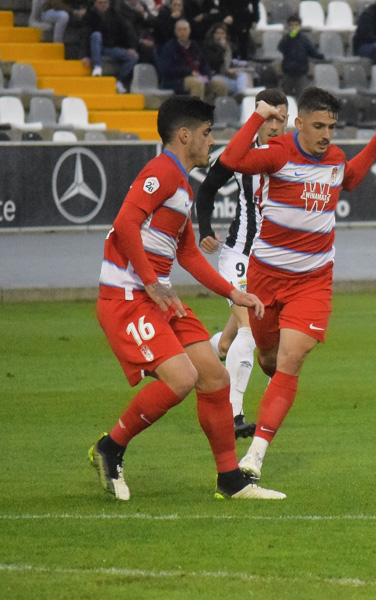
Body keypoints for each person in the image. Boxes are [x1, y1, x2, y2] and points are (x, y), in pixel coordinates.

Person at [89, 95, 285, 502]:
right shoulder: (162, 170)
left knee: (215, 378)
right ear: (184, 135)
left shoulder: (180, 181)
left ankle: (229, 479)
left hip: (156, 296)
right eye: (207, 132)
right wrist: (149, 281)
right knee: (182, 378)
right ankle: (111, 446)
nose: (211, 140)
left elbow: (188, 252)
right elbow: (125, 221)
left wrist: (235, 293)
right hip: (127, 296)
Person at [218, 89, 376, 482]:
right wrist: (257, 118)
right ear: (299, 124)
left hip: (313, 281)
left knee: (291, 359)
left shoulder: (334, 158)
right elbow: (230, 160)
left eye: (331, 126)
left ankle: (255, 456)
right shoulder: (278, 152)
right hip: (265, 279)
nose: (327, 134)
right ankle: (263, 380)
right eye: (318, 126)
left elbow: (348, 178)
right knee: (269, 359)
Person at [195, 88, 289, 438]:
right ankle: (232, 415)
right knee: (250, 331)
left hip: (273, 264)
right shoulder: (239, 154)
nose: (274, 125)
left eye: (281, 118)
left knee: (228, 344)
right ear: (256, 116)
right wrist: (205, 229)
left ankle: (202, 355)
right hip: (239, 254)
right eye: (269, 117)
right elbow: (207, 190)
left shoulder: (294, 156)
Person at [158, 19, 228, 102]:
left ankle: (216, 112)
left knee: (220, 85)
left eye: (185, 29)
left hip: (199, 76)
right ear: (175, 31)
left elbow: (204, 64)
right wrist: (190, 72)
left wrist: (207, 75)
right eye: (180, 30)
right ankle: (196, 113)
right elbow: (168, 69)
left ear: (189, 30)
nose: (183, 32)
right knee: (197, 83)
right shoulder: (169, 47)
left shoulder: (194, 45)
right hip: (178, 80)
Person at [82, 0, 140, 93]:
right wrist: (85, 55)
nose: (103, 5)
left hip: (109, 48)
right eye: (100, 3)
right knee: (96, 35)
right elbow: (85, 36)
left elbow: (127, 30)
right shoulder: (89, 16)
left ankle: (119, 80)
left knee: (134, 57)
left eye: (105, 3)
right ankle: (97, 66)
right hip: (94, 47)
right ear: (95, 4)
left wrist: (131, 47)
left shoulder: (115, 15)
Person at [277, 15, 324, 97]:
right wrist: (289, 37)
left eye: (296, 25)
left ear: (300, 26)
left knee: (301, 98)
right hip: (288, 73)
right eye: (291, 25)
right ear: (288, 26)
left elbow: (312, 52)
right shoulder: (286, 39)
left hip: (301, 74)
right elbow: (281, 48)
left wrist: (322, 56)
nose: (294, 27)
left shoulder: (304, 39)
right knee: (286, 98)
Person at [202, 22, 252, 96]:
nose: (220, 36)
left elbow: (230, 63)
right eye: (217, 33)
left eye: (222, 33)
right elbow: (214, 63)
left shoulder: (229, 46)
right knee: (238, 85)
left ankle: (240, 96)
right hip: (215, 75)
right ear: (213, 34)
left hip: (228, 74)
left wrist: (237, 69)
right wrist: (222, 49)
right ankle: (239, 97)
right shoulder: (208, 46)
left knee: (244, 75)